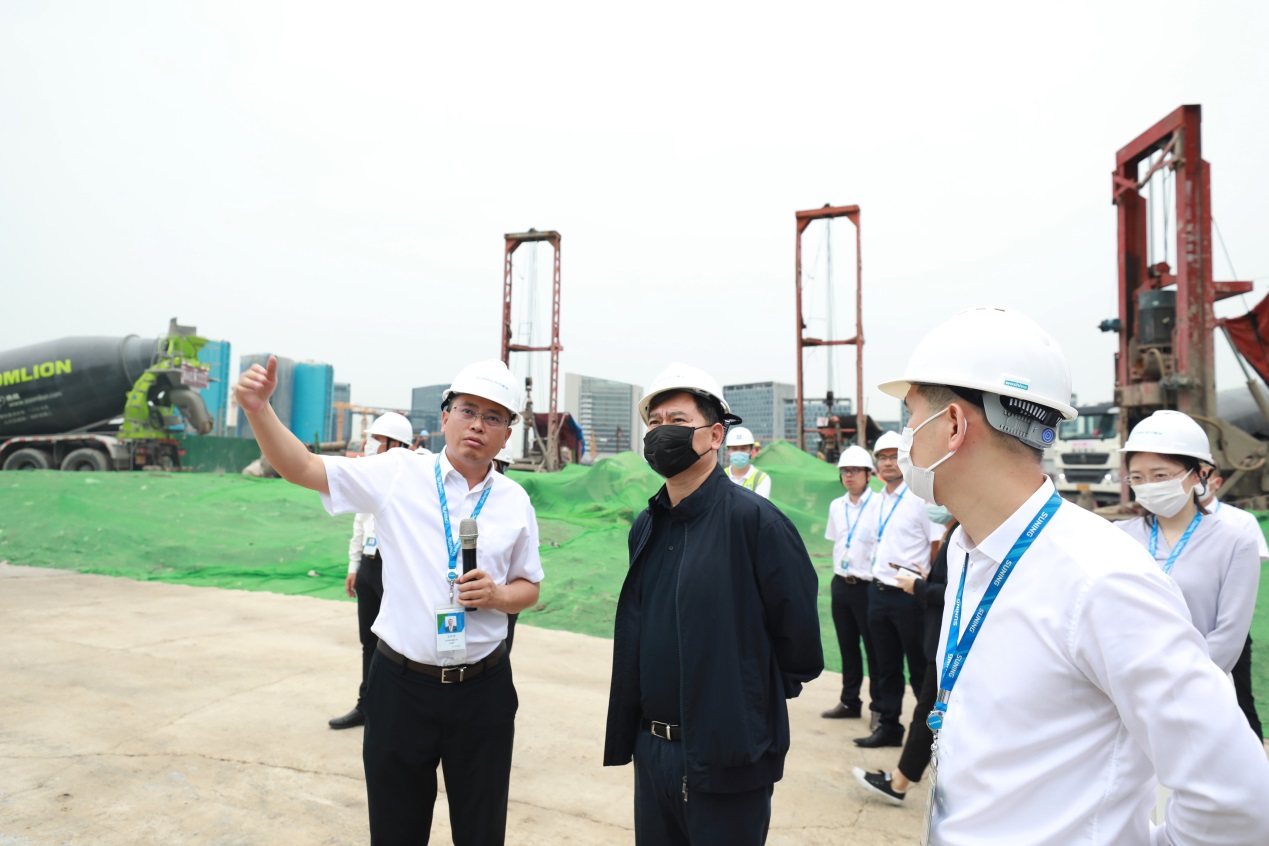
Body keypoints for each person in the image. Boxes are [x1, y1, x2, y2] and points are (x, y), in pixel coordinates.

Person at [877, 305, 1269, 845]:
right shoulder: (972, 551)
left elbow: (1235, 797)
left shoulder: (1101, 580)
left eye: (910, 417)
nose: (904, 439)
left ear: (952, 425)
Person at [234, 357, 544, 846]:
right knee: (396, 830)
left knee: (482, 831)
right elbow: (304, 467)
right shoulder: (399, 473)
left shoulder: (514, 501)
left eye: (493, 417)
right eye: (468, 411)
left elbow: (530, 587)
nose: (477, 426)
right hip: (403, 688)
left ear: (507, 434)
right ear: (445, 416)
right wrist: (259, 410)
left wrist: (499, 595)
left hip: (483, 691)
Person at [603, 363, 823, 846]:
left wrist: (741, 707)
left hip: (728, 760)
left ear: (716, 434)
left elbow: (800, 647)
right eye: (655, 423)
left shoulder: (756, 522)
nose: (662, 433)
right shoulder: (648, 524)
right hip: (653, 752)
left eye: (678, 421)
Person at [1114, 411, 1260, 676]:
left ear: (1198, 475)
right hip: (1127, 683)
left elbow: (1228, 637)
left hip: (1198, 685)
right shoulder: (1118, 536)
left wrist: (1177, 681)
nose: (1148, 485)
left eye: (1160, 475)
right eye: (1137, 477)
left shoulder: (1235, 544)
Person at [853, 514, 956, 805]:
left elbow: (958, 593)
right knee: (928, 708)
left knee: (928, 711)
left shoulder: (961, 533)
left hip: (947, 640)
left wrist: (919, 587)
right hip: (939, 636)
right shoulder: (956, 531)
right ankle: (902, 775)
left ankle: (899, 783)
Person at [855, 430, 942, 748]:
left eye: (894, 456)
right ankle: (889, 727)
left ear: (905, 459)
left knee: (919, 670)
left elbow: (936, 543)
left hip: (910, 596)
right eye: (882, 457)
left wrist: (927, 583)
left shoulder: (920, 498)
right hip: (878, 592)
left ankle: (932, 737)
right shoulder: (878, 500)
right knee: (885, 666)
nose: (888, 462)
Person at [329, 411, 415, 731]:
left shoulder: (412, 480)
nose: (370, 445)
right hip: (369, 565)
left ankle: (398, 711)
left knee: (398, 645)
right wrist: (354, 566)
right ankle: (366, 705)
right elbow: (359, 521)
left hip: (395, 568)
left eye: (377, 440)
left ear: (396, 444)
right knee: (368, 641)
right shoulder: (370, 476)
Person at [1200, 470, 1266, 737]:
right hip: (1186, 622)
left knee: (1241, 695)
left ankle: (1255, 753)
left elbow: (1249, 570)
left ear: (1217, 483)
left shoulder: (1240, 521)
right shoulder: (1157, 525)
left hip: (1229, 624)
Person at [821, 444, 881, 722]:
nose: (849, 475)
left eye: (855, 470)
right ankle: (849, 701)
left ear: (869, 474)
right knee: (847, 646)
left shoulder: (879, 505)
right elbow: (837, 541)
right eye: (845, 470)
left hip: (868, 586)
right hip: (841, 583)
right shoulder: (837, 506)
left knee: (875, 648)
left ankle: (879, 706)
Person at [722, 426, 771, 499]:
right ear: (728, 451)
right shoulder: (720, 476)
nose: (739, 452)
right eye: (734, 448)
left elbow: (759, 505)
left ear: (751, 450)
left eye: (743, 448)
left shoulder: (761, 478)